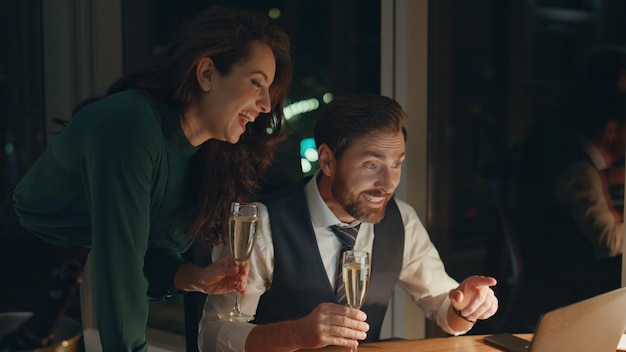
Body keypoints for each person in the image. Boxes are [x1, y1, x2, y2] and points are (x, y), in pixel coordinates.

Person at [0, 6, 293, 351]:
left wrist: (193, 278)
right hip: (23, 286)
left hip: (85, 291)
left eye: (268, 90)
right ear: (207, 73)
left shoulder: (204, 155)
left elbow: (147, 255)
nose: (264, 105)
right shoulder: (131, 125)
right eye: (256, 83)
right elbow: (119, 270)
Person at [198, 93, 498, 352]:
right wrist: (294, 334)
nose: (388, 183)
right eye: (371, 165)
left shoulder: (401, 219)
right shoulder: (262, 223)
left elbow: (444, 307)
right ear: (327, 160)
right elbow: (211, 336)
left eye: (396, 164)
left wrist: (467, 306)